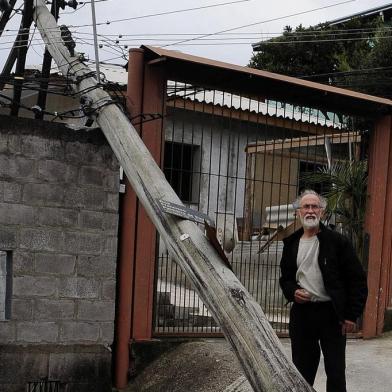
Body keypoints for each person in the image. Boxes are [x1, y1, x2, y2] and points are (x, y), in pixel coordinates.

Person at [279, 189, 368, 392]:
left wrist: (351, 315)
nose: (310, 211)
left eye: (315, 207)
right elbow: (285, 279)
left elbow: (357, 280)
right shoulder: (291, 243)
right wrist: (293, 292)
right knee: (302, 371)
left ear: (322, 212)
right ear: (298, 212)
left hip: (332, 314)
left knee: (335, 373)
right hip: (302, 315)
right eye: (306, 207)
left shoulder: (338, 243)